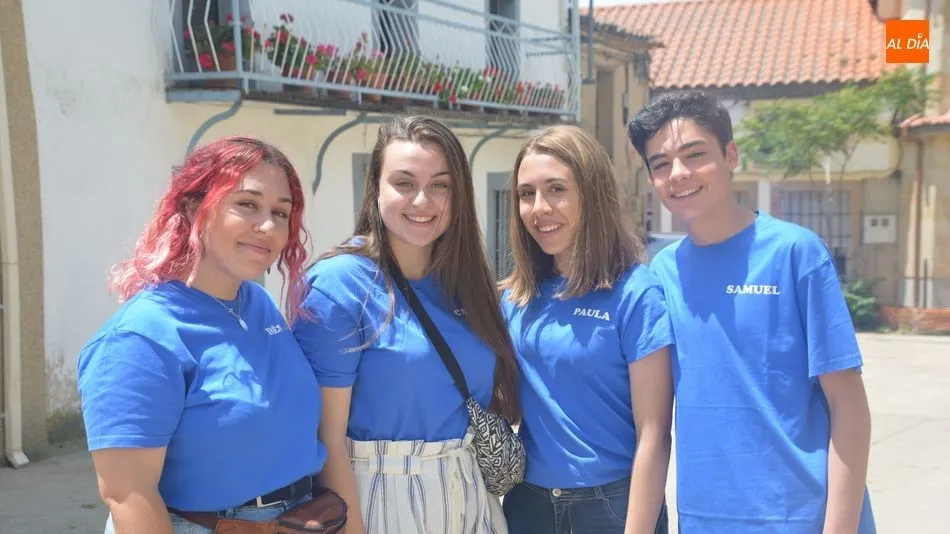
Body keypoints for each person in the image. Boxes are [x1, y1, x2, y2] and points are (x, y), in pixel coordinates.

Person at [627, 91, 876, 534]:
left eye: (694, 154)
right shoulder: (662, 273)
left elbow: (849, 406)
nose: (678, 173)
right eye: (661, 164)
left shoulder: (795, 253)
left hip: (802, 518)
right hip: (705, 521)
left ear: (731, 156)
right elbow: (655, 421)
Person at [77, 137, 327, 533]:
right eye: (247, 204)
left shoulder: (257, 303)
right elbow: (129, 494)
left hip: (295, 519)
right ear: (194, 207)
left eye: (281, 212)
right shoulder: (140, 336)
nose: (267, 226)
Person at [291, 115, 520, 534]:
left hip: (470, 495)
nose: (422, 200)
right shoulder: (339, 284)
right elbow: (328, 439)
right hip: (379, 497)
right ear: (375, 188)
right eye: (404, 183)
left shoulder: (465, 284)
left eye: (440, 185)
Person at [499, 125, 674, 534]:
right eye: (527, 194)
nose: (539, 208)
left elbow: (654, 434)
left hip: (612, 507)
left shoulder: (635, 293)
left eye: (556, 190)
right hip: (528, 506)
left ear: (592, 196)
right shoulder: (515, 298)